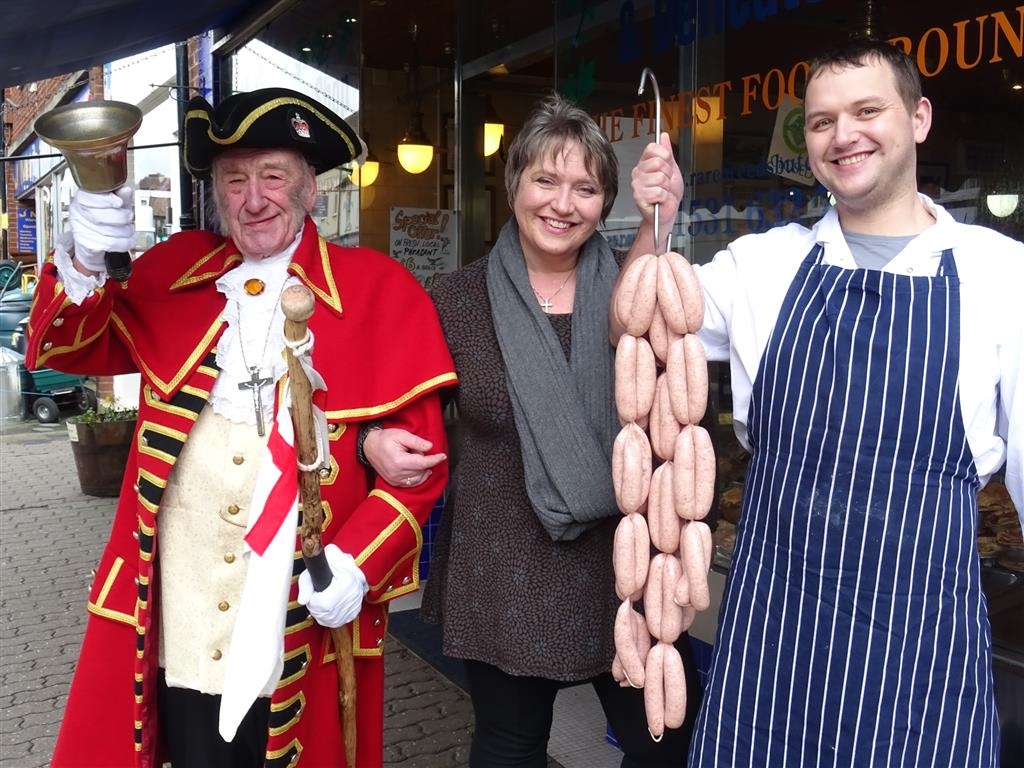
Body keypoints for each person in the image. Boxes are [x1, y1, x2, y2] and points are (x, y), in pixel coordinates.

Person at [26, 87, 457, 768]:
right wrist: (87, 245)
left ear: (311, 188)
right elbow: (66, 346)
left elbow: (420, 469)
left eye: (272, 176)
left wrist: (355, 562)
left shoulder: (379, 290)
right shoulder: (171, 273)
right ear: (218, 196)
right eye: (235, 180)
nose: (254, 198)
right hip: (184, 620)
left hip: (301, 625)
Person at [621, 40, 1023, 767]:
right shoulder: (765, 265)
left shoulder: (1002, 276)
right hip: (774, 637)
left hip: (921, 651)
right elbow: (638, 320)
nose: (844, 135)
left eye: (868, 110)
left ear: (920, 118)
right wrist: (656, 217)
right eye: (821, 121)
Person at [363, 93, 702, 768]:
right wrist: (375, 437)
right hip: (503, 571)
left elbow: (636, 323)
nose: (562, 203)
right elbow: (393, 403)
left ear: (606, 203)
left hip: (625, 569)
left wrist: (661, 213)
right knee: (510, 748)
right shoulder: (453, 300)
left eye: (586, 188)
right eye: (546, 180)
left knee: (663, 743)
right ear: (514, 181)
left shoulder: (633, 291)